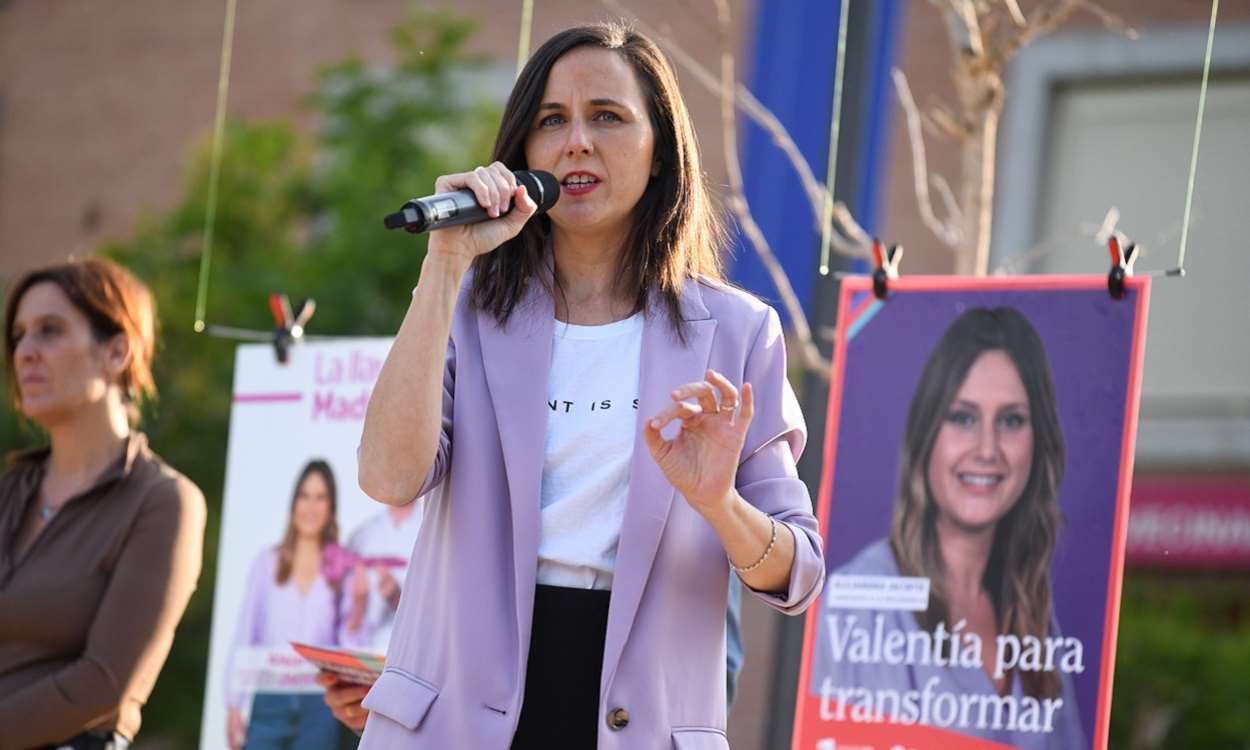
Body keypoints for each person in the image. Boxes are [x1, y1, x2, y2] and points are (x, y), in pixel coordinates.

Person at [322, 21, 826, 749]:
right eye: (550, 121)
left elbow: (797, 574)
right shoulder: (466, 305)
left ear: (661, 154)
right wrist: (444, 264)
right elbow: (389, 477)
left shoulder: (739, 330)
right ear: (523, 152)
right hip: (461, 718)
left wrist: (718, 503)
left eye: (609, 117)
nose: (576, 142)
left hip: (638, 720)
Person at [820, 307, 1084, 749]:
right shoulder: (859, 601)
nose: (987, 449)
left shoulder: (1034, 613)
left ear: (1038, 442)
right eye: (963, 417)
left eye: (1012, 420)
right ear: (927, 435)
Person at [0, 258, 206, 750]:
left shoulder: (162, 501)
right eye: (19, 335)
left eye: (50, 331)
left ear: (117, 351)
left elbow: (106, 684)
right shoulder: (10, 491)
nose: (25, 352)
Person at [225, 459, 344, 750]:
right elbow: (246, 633)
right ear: (293, 502)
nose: (311, 506)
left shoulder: (341, 568)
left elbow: (347, 644)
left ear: (331, 507)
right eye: (304, 495)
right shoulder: (267, 563)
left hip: (320, 703)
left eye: (320, 497)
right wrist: (233, 704)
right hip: (270, 697)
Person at [336, 503, 423, 653]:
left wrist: (398, 599)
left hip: (417, 661)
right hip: (366, 661)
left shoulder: (437, 532)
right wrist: (359, 605)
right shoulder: (362, 537)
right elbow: (347, 634)